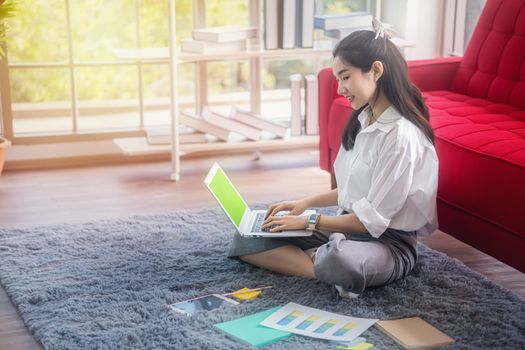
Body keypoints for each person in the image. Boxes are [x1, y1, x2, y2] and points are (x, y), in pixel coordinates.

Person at [227, 23, 438, 297]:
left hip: (390, 244)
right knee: (247, 237)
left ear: (375, 70)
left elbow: (370, 221)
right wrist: (305, 204)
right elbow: (358, 190)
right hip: (350, 229)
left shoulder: (401, 138)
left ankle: (324, 260)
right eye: (338, 79)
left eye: (345, 77)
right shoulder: (365, 119)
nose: (340, 88)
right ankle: (320, 261)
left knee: (340, 260)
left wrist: (309, 221)